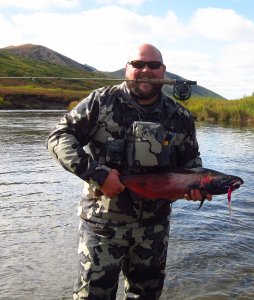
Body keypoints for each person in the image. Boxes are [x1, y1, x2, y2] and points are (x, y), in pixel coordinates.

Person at [47, 43, 212, 300]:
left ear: (164, 71)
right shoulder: (100, 102)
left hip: (153, 228)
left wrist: (195, 187)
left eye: (153, 65)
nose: (145, 70)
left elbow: (191, 164)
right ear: (127, 68)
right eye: (138, 64)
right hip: (102, 226)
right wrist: (98, 174)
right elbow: (59, 137)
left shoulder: (180, 116)